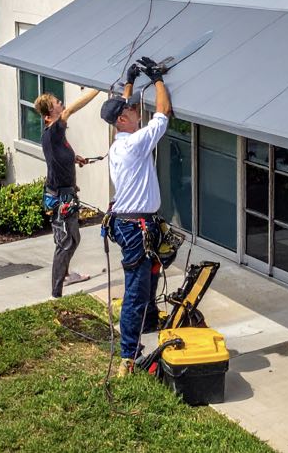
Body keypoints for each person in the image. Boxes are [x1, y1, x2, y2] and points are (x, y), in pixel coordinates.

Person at [100, 57, 172, 376]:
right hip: (135, 227)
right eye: (130, 109)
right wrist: (157, 80)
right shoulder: (136, 145)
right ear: (124, 119)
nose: (134, 109)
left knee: (152, 273)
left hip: (134, 223)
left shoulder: (120, 142)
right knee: (135, 291)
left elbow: (127, 107)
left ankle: (151, 320)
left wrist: (129, 79)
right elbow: (163, 114)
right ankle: (128, 356)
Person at [34, 87, 100, 299]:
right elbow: (71, 109)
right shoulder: (53, 131)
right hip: (61, 197)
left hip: (64, 193)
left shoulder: (56, 135)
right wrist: (97, 90)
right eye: (56, 103)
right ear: (48, 116)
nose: (61, 103)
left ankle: (65, 274)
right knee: (66, 243)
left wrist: (74, 158)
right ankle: (57, 291)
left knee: (69, 239)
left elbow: (57, 158)